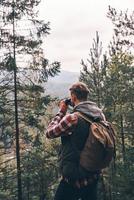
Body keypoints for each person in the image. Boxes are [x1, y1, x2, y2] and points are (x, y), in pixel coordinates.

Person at [46, 82, 106, 200]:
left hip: (73, 178)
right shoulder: (100, 115)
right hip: (93, 175)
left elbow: (49, 133)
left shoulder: (72, 118)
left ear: (73, 97)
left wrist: (62, 111)